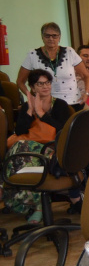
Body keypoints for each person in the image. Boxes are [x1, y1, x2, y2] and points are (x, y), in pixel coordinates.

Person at [2, 69, 70, 224]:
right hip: (28, 147)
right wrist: (30, 110)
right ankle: (30, 203)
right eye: (40, 83)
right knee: (20, 152)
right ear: (32, 88)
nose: (45, 86)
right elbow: (20, 130)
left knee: (21, 149)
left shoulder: (60, 105)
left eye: (47, 82)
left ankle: (38, 206)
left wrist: (42, 114)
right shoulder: (27, 105)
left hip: (51, 148)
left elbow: (63, 131)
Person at [17, 22, 89, 111]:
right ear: (42, 37)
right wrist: (30, 97)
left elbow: (86, 76)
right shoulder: (32, 55)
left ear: (59, 37)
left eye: (54, 36)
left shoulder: (69, 52)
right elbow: (20, 81)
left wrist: (86, 94)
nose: (51, 39)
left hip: (73, 102)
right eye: (47, 36)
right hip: (46, 105)